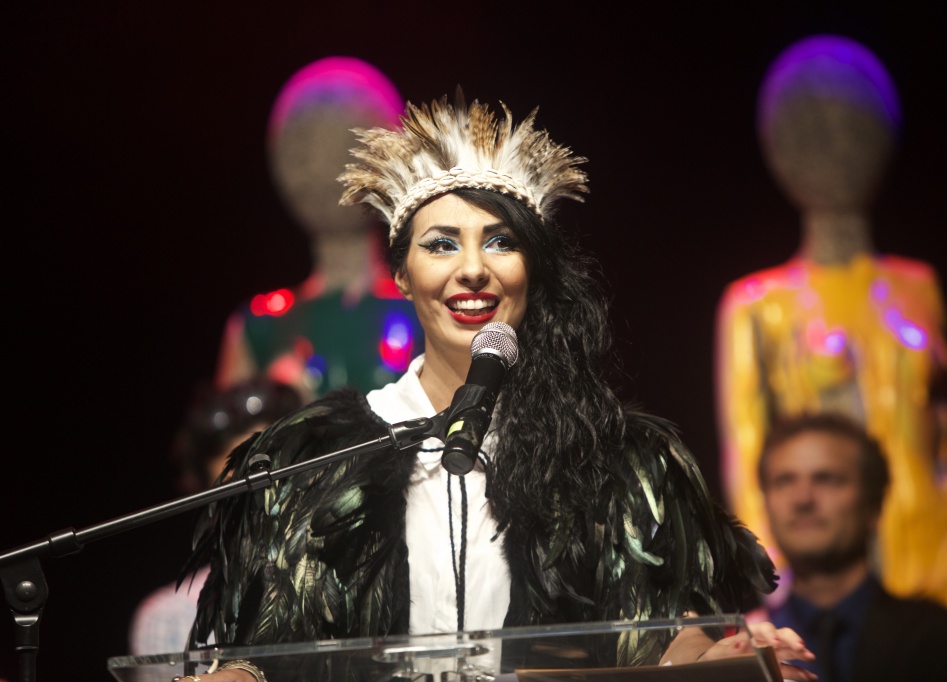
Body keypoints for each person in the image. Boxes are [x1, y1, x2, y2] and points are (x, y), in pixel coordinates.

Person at [179, 90, 817, 681]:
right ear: (401, 273)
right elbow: (268, 652)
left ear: (531, 269)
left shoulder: (611, 460)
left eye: (501, 242)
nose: (473, 270)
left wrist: (726, 659)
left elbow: (659, 640)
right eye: (441, 244)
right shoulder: (317, 460)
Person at [714, 34, 947, 618]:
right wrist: (780, 580)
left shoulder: (919, 286)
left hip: (944, 560)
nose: (836, 147)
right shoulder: (757, 304)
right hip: (830, 578)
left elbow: (944, 433)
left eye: (855, 126)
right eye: (810, 130)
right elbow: (746, 453)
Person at [214, 56, 424, 403]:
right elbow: (227, 434)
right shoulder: (260, 325)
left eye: (345, 145)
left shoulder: (426, 310)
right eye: (300, 151)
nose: (319, 167)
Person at [752, 411, 947, 681]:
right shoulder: (742, 651)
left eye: (827, 478)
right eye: (784, 481)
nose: (803, 499)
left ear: (874, 504)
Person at [128, 377, 303, 655]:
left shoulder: (360, 583)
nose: (262, 500)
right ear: (209, 508)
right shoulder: (169, 618)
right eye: (235, 488)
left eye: (271, 476)